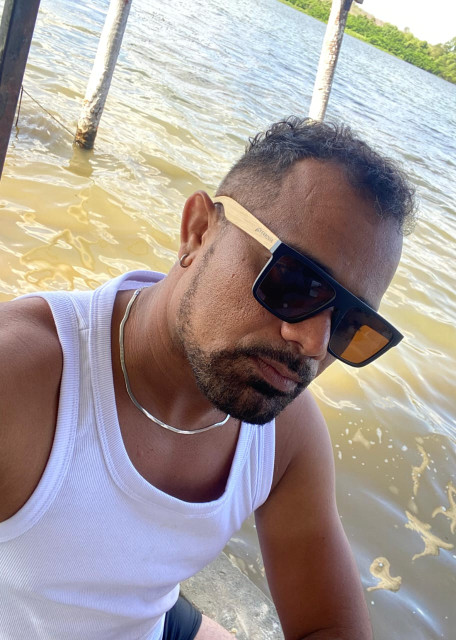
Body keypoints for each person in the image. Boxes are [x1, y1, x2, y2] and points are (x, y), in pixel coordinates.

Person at [0, 117, 415, 640]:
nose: (313, 344)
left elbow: (328, 627)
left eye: (351, 324)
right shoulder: (24, 380)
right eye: (295, 282)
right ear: (198, 231)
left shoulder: (285, 436)